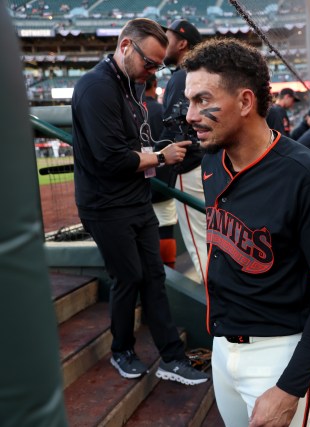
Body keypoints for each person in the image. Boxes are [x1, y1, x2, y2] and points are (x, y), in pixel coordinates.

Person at [183, 38, 310, 427]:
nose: (190, 114)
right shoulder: (213, 162)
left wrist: (290, 388)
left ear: (246, 102)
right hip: (222, 348)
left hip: (279, 356)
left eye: (202, 100)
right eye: (190, 101)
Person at [71, 18, 208, 385]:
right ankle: (122, 350)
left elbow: (136, 146)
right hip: (104, 204)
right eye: (149, 62)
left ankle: (171, 358)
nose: (152, 71)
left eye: (158, 66)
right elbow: (112, 159)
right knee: (128, 276)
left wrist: (158, 150)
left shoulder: (132, 87)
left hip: (135, 199)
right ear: (126, 46)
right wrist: (162, 158)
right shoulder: (96, 87)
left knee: (153, 276)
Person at [158, 19, 207, 281]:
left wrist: (153, 155)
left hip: (189, 166)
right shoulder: (203, 71)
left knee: (200, 247)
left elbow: (175, 128)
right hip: (205, 163)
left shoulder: (182, 76)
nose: (163, 44)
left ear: (182, 42)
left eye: (167, 38)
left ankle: (218, 313)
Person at [144, 74, 178, 268]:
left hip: (136, 180)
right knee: (165, 227)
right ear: (154, 84)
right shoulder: (162, 110)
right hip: (163, 179)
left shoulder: (128, 110)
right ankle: (168, 273)